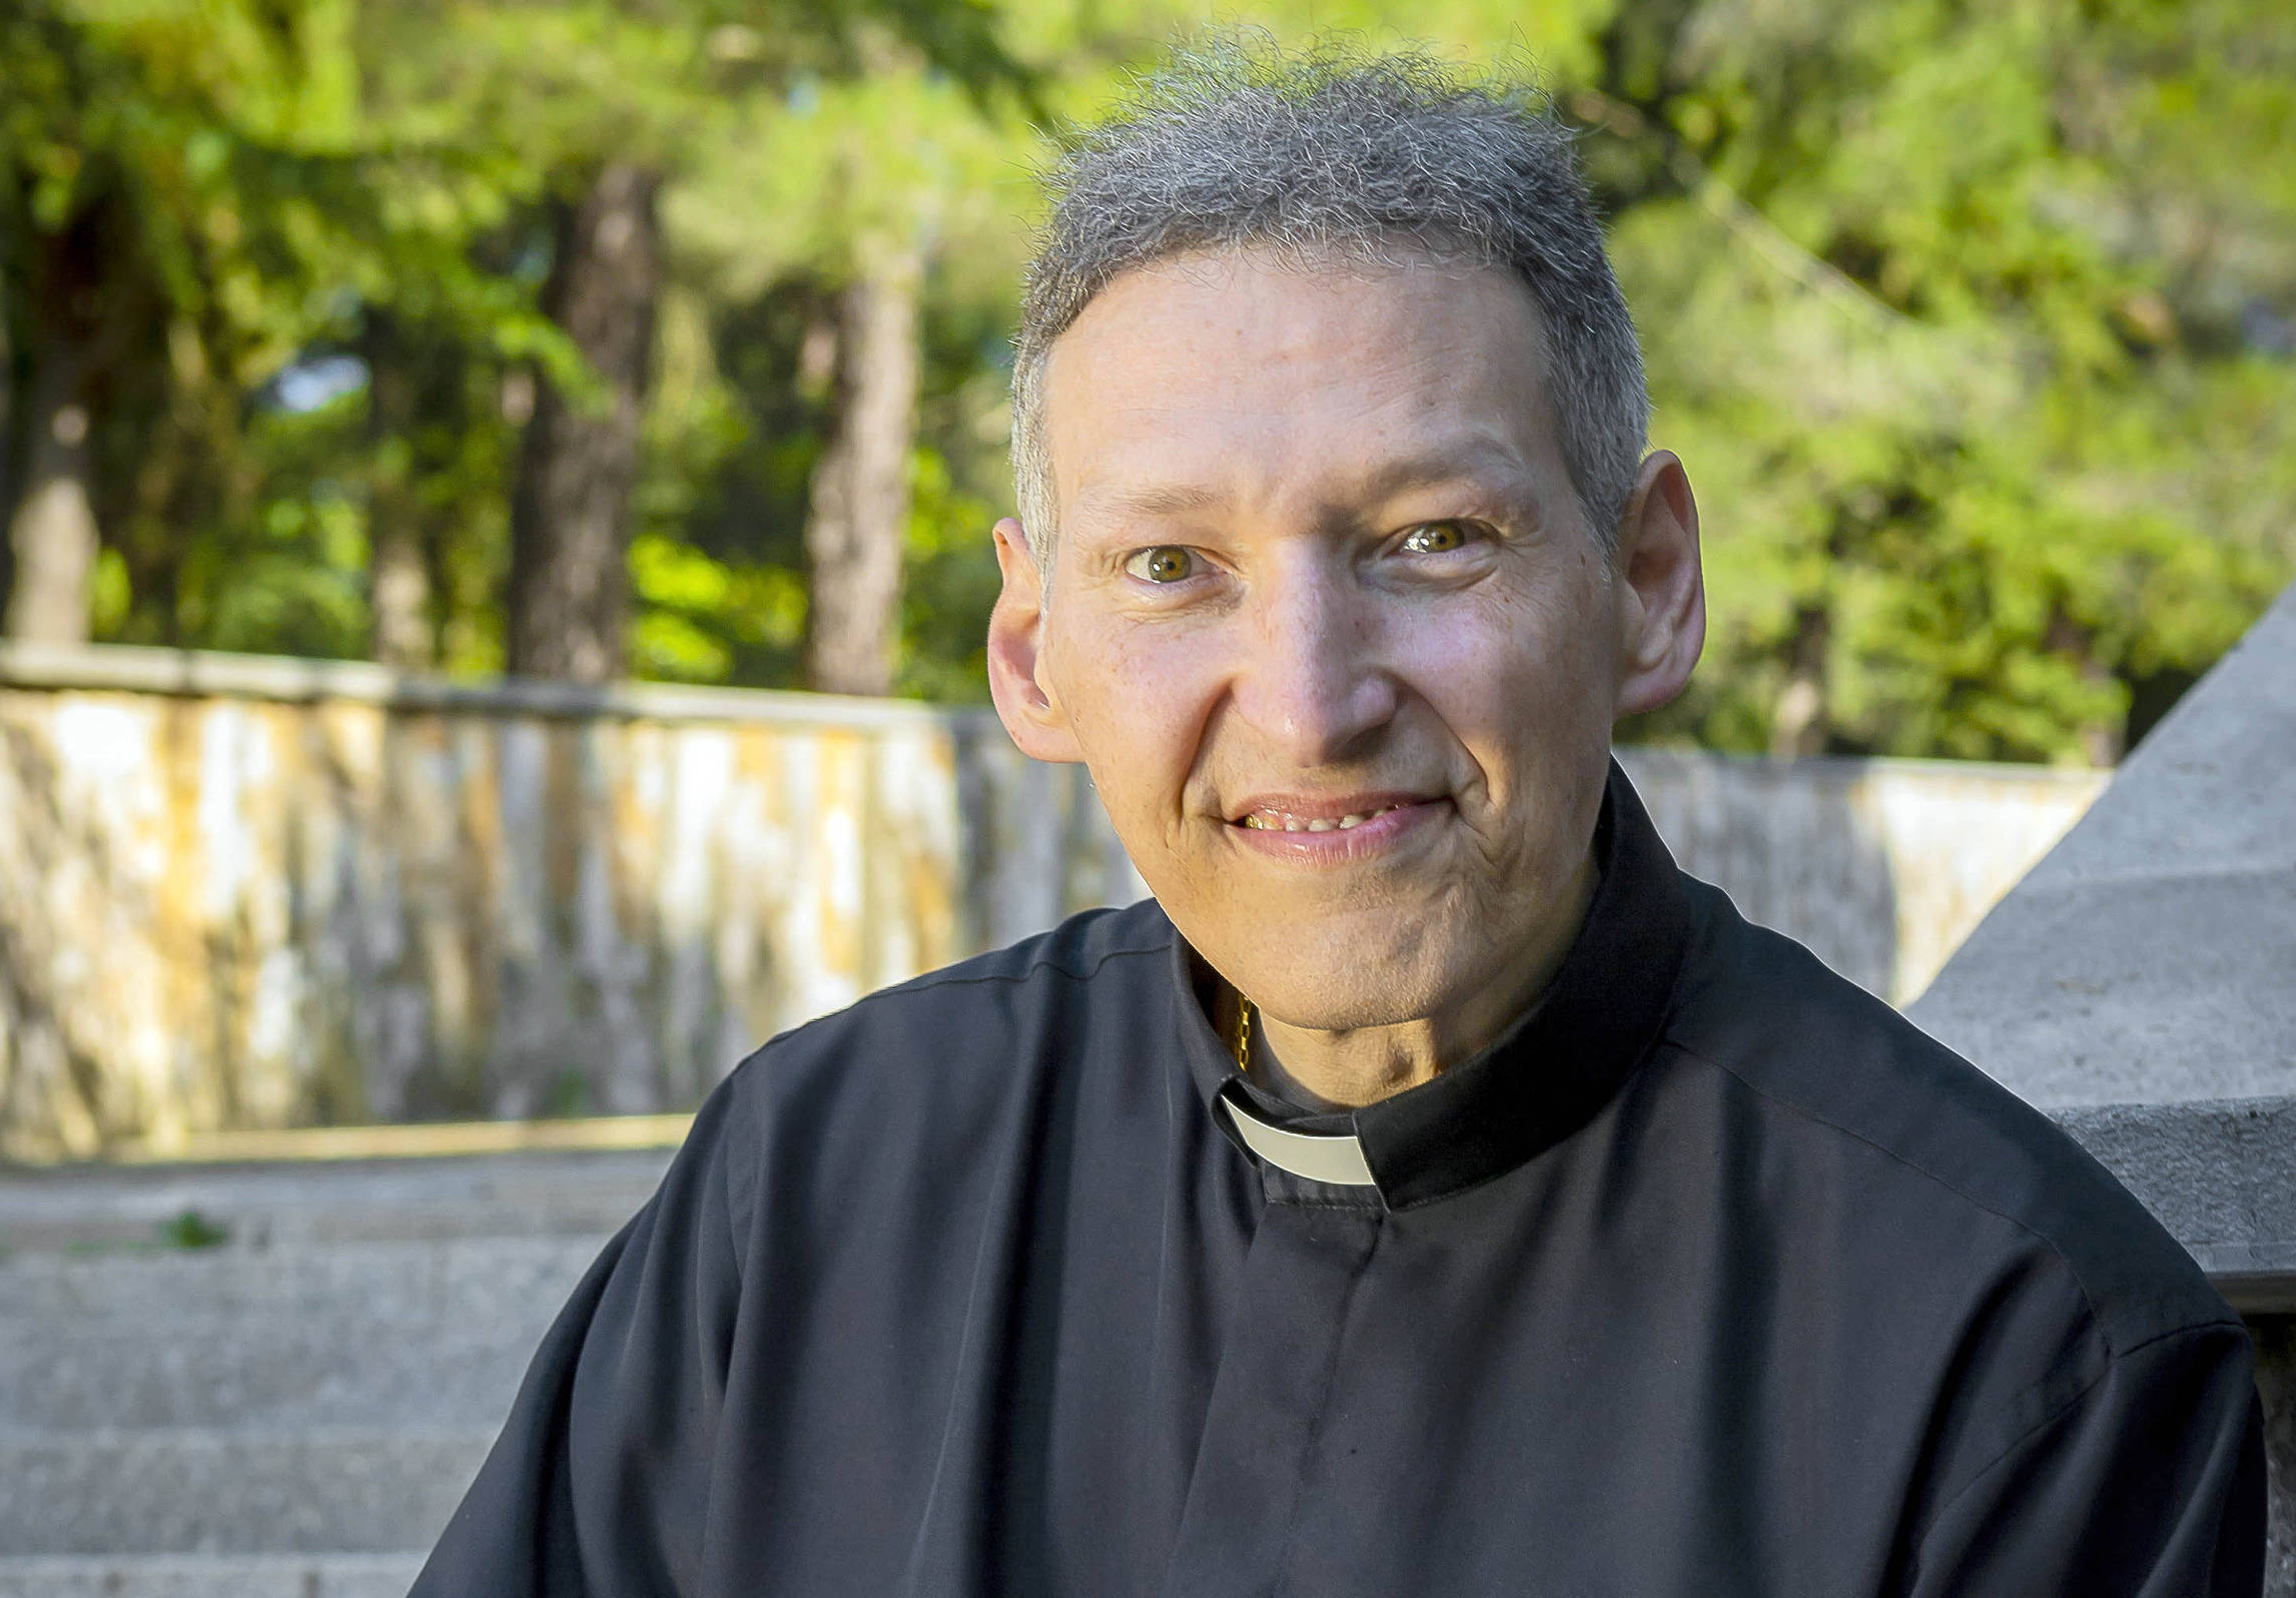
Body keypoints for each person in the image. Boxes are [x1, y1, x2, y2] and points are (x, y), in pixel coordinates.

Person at [411, 40, 2263, 1598]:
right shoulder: (810, 1182)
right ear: (1034, 651)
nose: (1309, 700)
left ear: (1647, 583)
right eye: (1170, 567)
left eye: (1428, 541)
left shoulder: (2023, 1352)